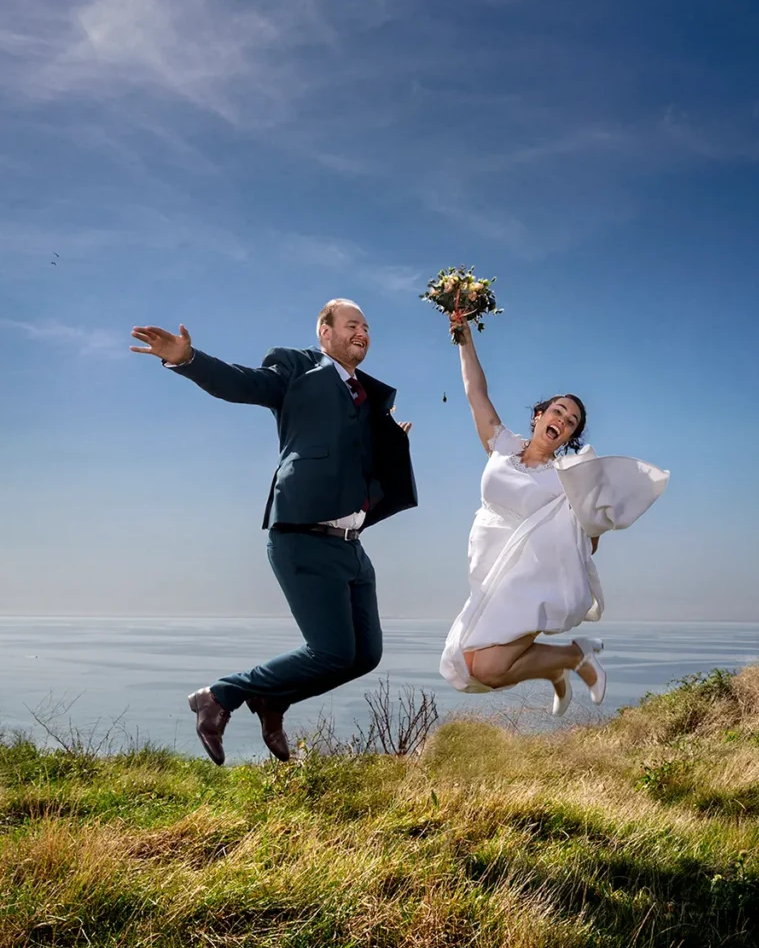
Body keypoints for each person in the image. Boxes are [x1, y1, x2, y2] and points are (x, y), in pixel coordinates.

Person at [130, 300, 417, 764]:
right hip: (302, 531)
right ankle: (220, 697)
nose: (362, 332)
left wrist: (389, 445)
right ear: (324, 331)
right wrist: (187, 359)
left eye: (366, 327)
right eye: (352, 325)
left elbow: (360, 462)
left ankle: (274, 698)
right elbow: (244, 383)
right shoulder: (297, 367)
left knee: (364, 655)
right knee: (329, 651)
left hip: (352, 545)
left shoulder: (367, 398)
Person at [439, 313, 607, 715]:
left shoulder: (565, 479)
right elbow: (474, 390)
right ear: (539, 415)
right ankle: (563, 662)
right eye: (558, 412)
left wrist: (594, 515)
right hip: (487, 569)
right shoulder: (502, 444)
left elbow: (589, 538)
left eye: (571, 423)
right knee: (472, 665)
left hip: (528, 582)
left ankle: (571, 659)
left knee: (488, 669)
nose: (562, 421)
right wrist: (464, 339)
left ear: (569, 437)